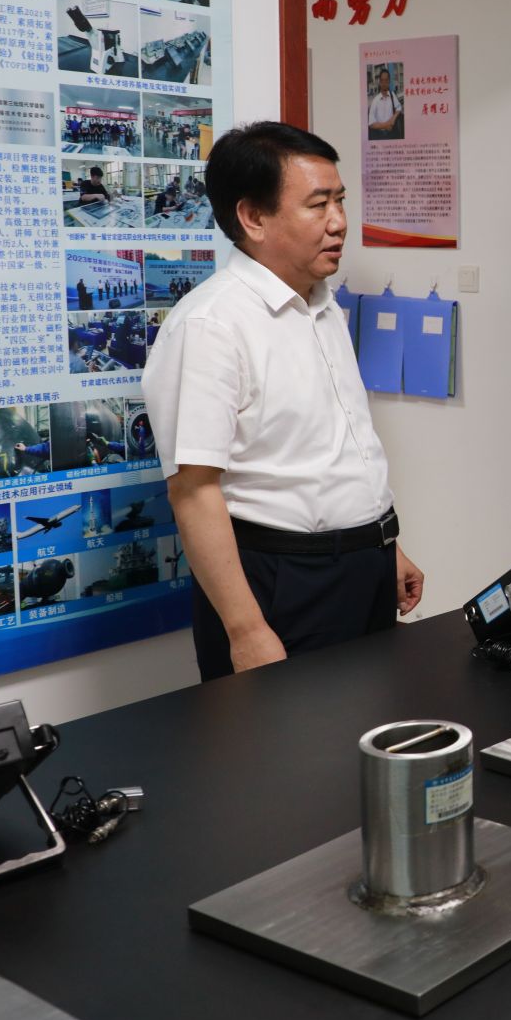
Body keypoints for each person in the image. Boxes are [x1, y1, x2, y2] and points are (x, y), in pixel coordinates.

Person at [144, 122, 424, 680]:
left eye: (340, 201)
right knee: (290, 735)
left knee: (371, 724)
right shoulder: (210, 326)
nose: (339, 222)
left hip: (361, 567)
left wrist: (382, 545)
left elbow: (334, 446)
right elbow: (193, 492)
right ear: (253, 217)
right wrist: (246, 630)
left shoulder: (321, 303)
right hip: (283, 583)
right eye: (318, 205)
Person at [366, 67, 403, 141]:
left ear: (389, 81)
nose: (384, 83)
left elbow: (399, 107)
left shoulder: (392, 95)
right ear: (379, 82)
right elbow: (371, 123)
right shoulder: (375, 101)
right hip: (381, 136)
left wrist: (393, 118)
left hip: (393, 134)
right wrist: (386, 125)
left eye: (386, 80)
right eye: (382, 80)